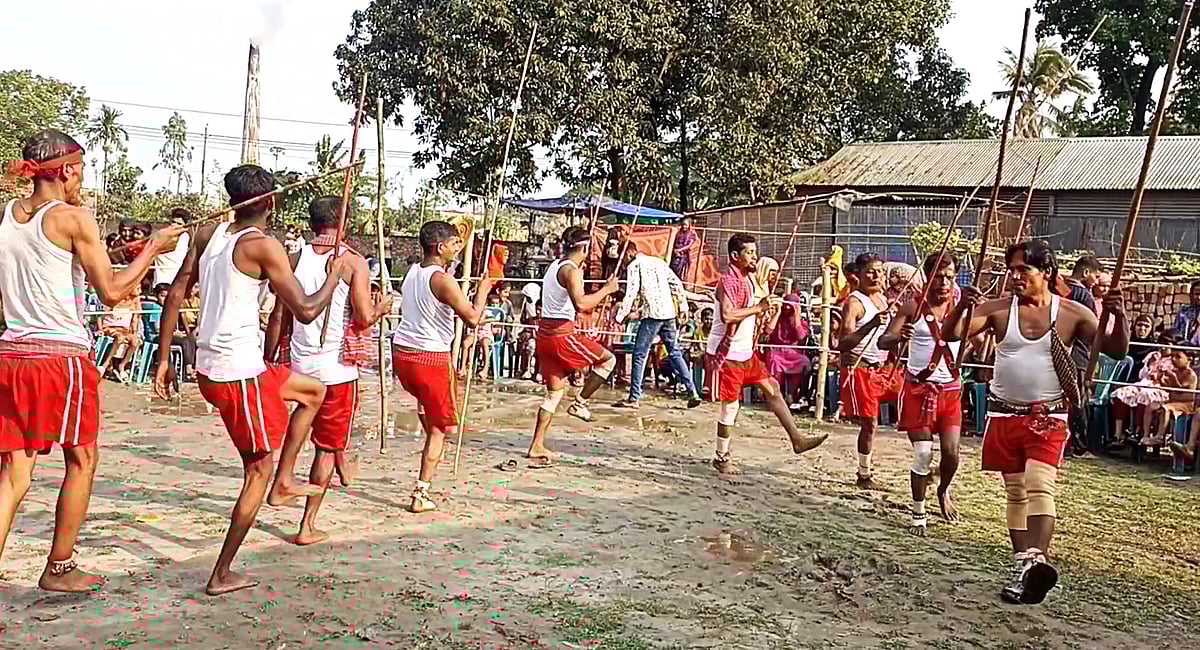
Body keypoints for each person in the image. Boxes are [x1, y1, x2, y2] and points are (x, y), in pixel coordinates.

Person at [153, 165, 350, 596]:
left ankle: (284, 481)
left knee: (311, 392)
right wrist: (336, 276)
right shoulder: (265, 247)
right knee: (254, 471)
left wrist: (165, 358)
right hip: (236, 373)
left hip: (218, 367)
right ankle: (222, 572)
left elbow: (175, 292)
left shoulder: (208, 236)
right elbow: (306, 310)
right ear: (272, 203)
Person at [0, 128, 183, 592]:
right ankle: (59, 567)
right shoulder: (74, 218)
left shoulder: (9, 216)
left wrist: (114, 253)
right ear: (65, 171)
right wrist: (154, 248)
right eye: (80, 171)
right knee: (82, 459)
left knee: (14, 473)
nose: (81, 180)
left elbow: (56, 264)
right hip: (59, 357)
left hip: (13, 353)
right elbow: (114, 291)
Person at [943, 240, 1128, 605]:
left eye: (1022, 270)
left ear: (1047, 274)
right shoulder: (997, 310)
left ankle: (1036, 560)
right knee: (1016, 492)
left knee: (1039, 484)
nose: (1014, 277)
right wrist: (962, 306)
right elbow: (953, 334)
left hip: (1049, 416)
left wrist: (1118, 315)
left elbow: (1117, 350)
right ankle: (1025, 571)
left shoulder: (1074, 313)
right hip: (1003, 413)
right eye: (1011, 270)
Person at [263, 196, 393, 545]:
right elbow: (364, 316)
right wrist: (382, 307)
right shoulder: (352, 262)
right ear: (344, 222)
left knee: (312, 433)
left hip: (300, 365)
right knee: (325, 444)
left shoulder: (292, 258)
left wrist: (270, 359)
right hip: (337, 370)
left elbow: (278, 316)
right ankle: (307, 524)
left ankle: (338, 466)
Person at [392, 221, 494, 511]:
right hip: (430, 358)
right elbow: (473, 317)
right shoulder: (442, 279)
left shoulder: (412, 272)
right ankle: (420, 492)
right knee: (440, 429)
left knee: (428, 410)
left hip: (403, 354)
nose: (457, 248)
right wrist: (484, 290)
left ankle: (429, 456)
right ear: (439, 247)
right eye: (453, 244)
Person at [705, 234, 826, 474]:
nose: (755, 257)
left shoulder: (748, 280)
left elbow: (749, 312)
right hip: (727, 353)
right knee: (730, 406)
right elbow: (728, 315)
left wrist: (764, 308)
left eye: (754, 252)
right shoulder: (728, 281)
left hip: (745, 352)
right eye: (750, 253)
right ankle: (721, 456)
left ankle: (796, 439)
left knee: (772, 388)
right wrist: (758, 308)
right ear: (735, 256)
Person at [520, 226, 620, 469]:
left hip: (545, 334)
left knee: (554, 394)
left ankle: (537, 444)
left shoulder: (556, 265)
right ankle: (581, 402)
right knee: (608, 360)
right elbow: (583, 305)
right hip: (561, 334)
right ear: (584, 249)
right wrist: (607, 289)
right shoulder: (571, 271)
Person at [878, 254, 964, 536]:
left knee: (951, 454)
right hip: (918, 389)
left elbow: (977, 337)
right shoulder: (913, 306)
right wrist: (900, 335)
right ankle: (918, 512)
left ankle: (943, 490)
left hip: (950, 390)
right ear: (928, 277)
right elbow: (883, 340)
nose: (944, 282)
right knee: (923, 453)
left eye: (950, 277)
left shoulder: (962, 309)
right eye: (939, 276)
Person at [612, 242, 702, 409]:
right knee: (675, 353)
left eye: (622, 256)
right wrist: (683, 307)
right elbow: (676, 284)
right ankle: (693, 392)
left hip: (652, 314)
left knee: (640, 354)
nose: (622, 261)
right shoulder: (658, 262)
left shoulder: (634, 266)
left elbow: (631, 293)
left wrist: (619, 317)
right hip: (668, 313)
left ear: (629, 253)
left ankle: (634, 398)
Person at [838, 253, 891, 489]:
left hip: (883, 369)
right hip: (860, 369)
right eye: (870, 271)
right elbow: (843, 343)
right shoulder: (854, 302)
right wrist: (871, 324)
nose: (876, 275)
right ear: (857, 275)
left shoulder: (882, 299)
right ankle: (864, 474)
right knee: (870, 423)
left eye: (879, 270)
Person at [1112, 328, 1179, 444]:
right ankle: (1118, 434)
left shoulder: (1175, 360)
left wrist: (1161, 377)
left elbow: (1172, 381)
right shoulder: (1153, 355)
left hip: (1160, 389)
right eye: (1161, 344)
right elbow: (1141, 375)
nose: (1163, 348)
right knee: (1120, 393)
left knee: (1144, 396)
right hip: (1144, 383)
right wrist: (1149, 365)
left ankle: (1139, 431)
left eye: (1167, 345)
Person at [765, 293, 812, 408]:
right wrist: (778, 313)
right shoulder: (777, 318)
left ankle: (792, 394)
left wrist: (797, 317)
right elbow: (768, 331)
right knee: (774, 361)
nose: (787, 308)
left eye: (790, 306)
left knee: (804, 362)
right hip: (776, 350)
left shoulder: (802, 322)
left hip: (793, 351)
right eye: (786, 305)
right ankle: (775, 394)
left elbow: (801, 337)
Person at [154, 208, 191, 287]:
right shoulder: (162, 235)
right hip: (161, 280)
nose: (175, 225)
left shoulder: (184, 237)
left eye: (179, 223)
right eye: (173, 222)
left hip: (175, 279)